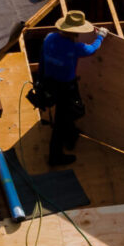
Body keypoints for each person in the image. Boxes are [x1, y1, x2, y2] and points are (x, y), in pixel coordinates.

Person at [37, 11, 106, 166]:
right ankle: (55, 157)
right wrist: (101, 35)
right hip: (66, 88)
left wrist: (40, 80)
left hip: (49, 83)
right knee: (68, 116)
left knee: (65, 114)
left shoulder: (49, 38)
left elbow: (41, 59)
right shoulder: (76, 47)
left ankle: (70, 137)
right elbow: (92, 49)